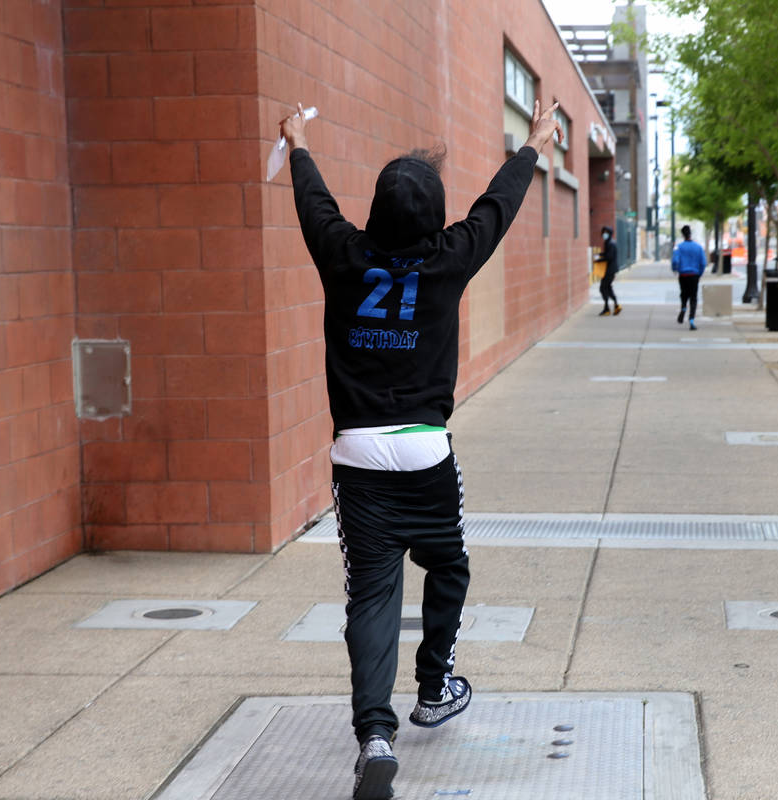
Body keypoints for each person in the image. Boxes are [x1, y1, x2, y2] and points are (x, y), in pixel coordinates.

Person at [280, 100, 562, 800]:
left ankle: (376, 734)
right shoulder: (448, 259)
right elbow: (496, 207)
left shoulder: (341, 253)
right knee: (449, 565)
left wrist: (298, 142)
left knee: (370, 597)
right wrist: (531, 144)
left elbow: (314, 203)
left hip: (359, 461)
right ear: (435, 217)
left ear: (374, 211)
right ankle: (435, 687)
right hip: (426, 454)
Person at [672, 224, 706, 330]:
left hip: (683, 275)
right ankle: (691, 320)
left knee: (684, 294)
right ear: (690, 234)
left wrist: (676, 269)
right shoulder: (698, 247)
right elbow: (703, 263)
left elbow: (675, 261)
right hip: (694, 275)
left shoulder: (679, 247)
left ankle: (683, 308)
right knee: (693, 297)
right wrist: (699, 273)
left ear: (682, 235)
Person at [593, 225, 621, 316]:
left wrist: (598, 260)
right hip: (610, 270)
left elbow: (609, 257)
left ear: (609, 234)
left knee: (603, 288)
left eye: (606, 233)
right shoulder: (609, 242)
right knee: (607, 288)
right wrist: (600, 254)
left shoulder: (610, 243)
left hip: (610, 270)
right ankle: (614, 306)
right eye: (603, 232)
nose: (604, 234)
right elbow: (607, 254)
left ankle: (608, 308)